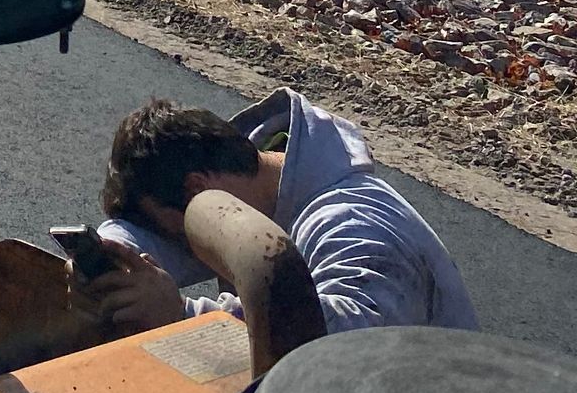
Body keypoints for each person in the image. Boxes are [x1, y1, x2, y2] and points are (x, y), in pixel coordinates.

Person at [83, 88, 479, 337]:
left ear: (198, 192)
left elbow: (344, 343)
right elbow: (160, 238)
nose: (188, 248)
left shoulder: (355, 226)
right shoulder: (260, 186)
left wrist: (182, 315)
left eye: (184, 232)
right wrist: (111, 258)